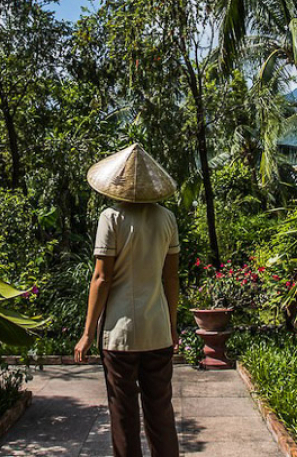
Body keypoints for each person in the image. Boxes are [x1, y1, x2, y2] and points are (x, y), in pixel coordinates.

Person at [74, 143, 181, 457]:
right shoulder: (167, 219)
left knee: (123, 414)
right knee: (160, 412)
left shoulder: (111, 218)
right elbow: (171, 278)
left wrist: (86, 333)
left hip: (119, 335)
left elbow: (101, 278)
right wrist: (173, 326)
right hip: (158, 330)